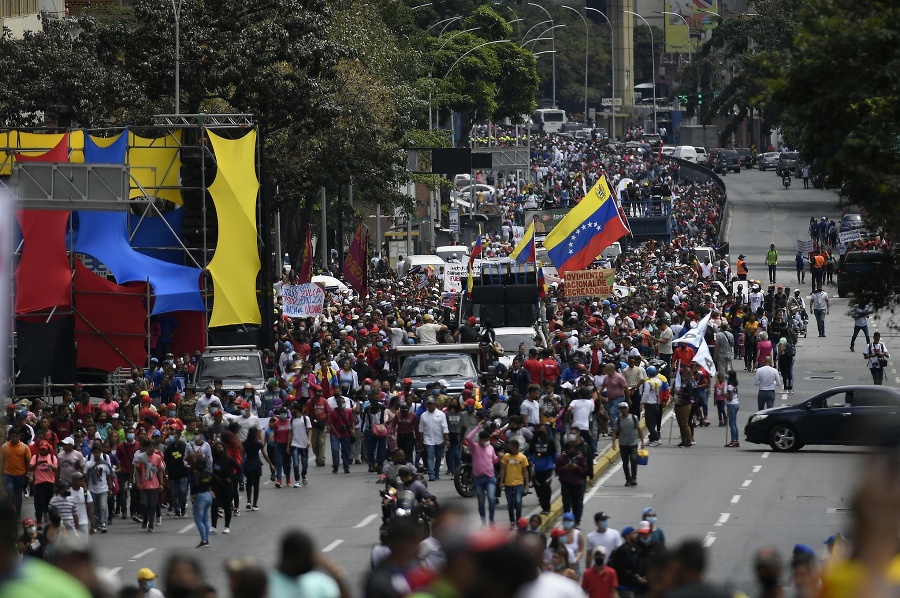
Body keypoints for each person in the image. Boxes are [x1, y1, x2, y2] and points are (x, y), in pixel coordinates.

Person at [466, 426, 499, 527]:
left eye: (488, 440)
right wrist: (478, 427)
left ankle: (491, 520)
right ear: (480, 440)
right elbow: (468, 438)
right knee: (481, 501)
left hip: (490, 477)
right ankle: (483, 522)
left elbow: (494, 460)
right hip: (479, 478)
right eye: (485, 440)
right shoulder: (475, 447)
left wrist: (500, 457)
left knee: (491, 498)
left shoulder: (491, 448)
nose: (487, 442)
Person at [0, 429, 31, 518]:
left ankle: (17, 513)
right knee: (10, 490)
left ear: (19, 437)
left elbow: (28, 462)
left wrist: (28, 474)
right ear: (10, 437)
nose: (15, 438)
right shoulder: (4, 447)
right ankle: (10, 509)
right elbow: (1, 461)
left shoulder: (24, 447)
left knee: (18, 495)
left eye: (16, 437)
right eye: (13, 436)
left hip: (20, 475)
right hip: (8, 474)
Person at [611, 402, 644, 486]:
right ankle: (628, 478)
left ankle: (634, 478)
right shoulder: (617, 420)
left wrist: (642, 442)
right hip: (623, 444)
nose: (623, 410)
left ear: (628, 409)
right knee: (625, 462)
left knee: (633, 459)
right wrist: (613, 442)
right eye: (621, 408)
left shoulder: (634, 418)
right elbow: (614, 432)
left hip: (633, 443)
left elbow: (639, 429)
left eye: (624, 408)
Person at [499, 438, 530, 527]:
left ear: (516, 447)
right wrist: (501, 482)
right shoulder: (506, 457)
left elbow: (525, 471)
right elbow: (503, 470)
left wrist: (527, 484)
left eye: (511, 446)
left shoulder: (522, 457)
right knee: (510, 503)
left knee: (518, 501)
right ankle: (512, 521)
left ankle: (518, 519)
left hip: (518, 484)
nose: (509, 448)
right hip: (508, 484)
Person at [555, 440, 587, 527]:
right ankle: (567, 521)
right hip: (566, 484)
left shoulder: (579, 457)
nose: (569, 452)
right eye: (567, 450)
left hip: (577, 484)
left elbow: (584, 470)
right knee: (566, 503)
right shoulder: (561, 458)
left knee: (576, 503)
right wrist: (564, 468)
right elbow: (557, 471)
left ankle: (576, 521)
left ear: (573, 448)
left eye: (570, 449)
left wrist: (576, 467)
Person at [418, 397, 449, 481]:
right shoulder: (423, 415)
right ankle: (431, 473)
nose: (430, 406)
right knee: (430, 457)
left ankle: (436, 472)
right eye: (428, 404)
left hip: (439, 440)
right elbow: (421, 430)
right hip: (428, 440)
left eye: (431, 404)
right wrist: (420, 443)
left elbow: (445, 427)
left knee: (438, 457)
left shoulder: (441, 414)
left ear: (435, 404)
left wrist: (446, 439)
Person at [609, 526, 645, 598]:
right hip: (625, 587)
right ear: (627, 536)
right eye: (633, 533)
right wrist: (636, 577)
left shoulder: (635, 547)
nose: (636, 535)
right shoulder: (622, 550)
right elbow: (621, 570)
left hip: (634, 586)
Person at [190, 455, 213, 548]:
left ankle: (203, 540)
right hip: (208, 495)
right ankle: (206, 540)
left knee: (198, 520)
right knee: (205, 520)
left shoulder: (197, 473)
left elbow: (195, 485)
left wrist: (192, 494)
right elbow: (217, 480)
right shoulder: (209, 472)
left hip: (200, 497)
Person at [725, 370, 740, 447]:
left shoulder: (730, 386)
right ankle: (736, 440)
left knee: (732, 423)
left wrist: (723, 394)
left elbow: (730, 397)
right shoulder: (735, 384)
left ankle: (733, 440)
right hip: (736, 403)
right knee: (734, 423)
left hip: (732, 404)